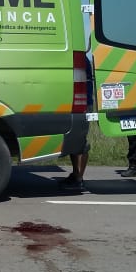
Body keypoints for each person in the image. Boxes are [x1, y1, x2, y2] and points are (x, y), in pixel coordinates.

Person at [58, 51, 92, 191]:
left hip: (82, 103)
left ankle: (79, 179)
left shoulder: (79, 58)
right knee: (75, 140)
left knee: (81, 141)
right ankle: (76, 174)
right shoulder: (80, 57)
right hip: (79, 101)